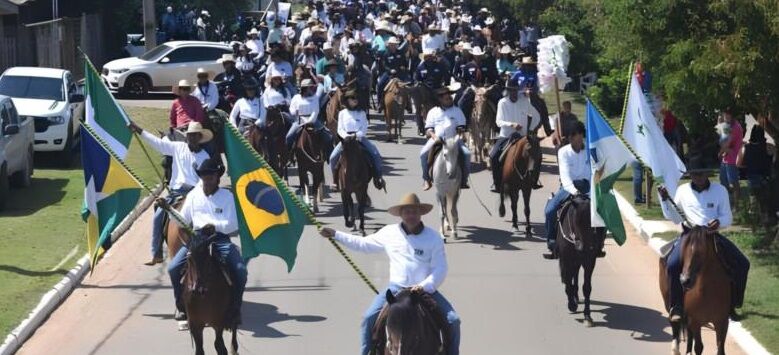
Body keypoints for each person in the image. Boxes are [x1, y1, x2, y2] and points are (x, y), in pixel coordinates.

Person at [318, 193, 461, 355]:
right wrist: (336, 234)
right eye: (407, 212)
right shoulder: (389, 233)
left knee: (453, 320)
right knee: (368, 319)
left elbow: (441, 268)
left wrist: (423, 286)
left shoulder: (433, 237)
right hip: (396, 289)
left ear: (420, 213)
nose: (411, 215)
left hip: (424, 291)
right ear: (401, 214)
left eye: (414, 211)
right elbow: (362, 244)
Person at [658, 158, 750, 322]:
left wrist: (719, 222)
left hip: (711, 235)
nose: (698, 177)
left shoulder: (719, 190)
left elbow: (727, 216)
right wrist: (665, 200)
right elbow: (673, 217)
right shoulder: (682, 191)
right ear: (690, 175)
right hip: (689, 236)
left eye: (701, 174)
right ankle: (676, 306)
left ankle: (733, 305)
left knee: (742, 263)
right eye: (694, 174)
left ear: (707, 173)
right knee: (671, 265)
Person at [160, 158, 247, 324]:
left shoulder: (227, 197)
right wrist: (168, 209)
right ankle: (181, 305)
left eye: (211, 175)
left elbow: (233, 224)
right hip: (198, 239)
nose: (207, 179)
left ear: (217, 177)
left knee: (241, 271)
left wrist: (214, 226)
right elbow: (181, 220)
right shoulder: (193, 195)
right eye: (204, 175)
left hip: (219, 239)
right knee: (173, 268)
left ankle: (234, 308)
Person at [127, 121, 212, 266]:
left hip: (195, 192)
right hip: (176, 192)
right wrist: (139, 130)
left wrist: (195, 194)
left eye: (194, 136)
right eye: (189, 135)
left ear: (200, 137)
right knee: (159, 214)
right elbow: (158, 144)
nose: (191, 138)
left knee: (209, 221)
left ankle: (213, 252)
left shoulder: (205, 157)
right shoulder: (178, 148)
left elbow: (204, 180)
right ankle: (157, 253)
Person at [543, 121, 589, 260]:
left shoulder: (589, 150)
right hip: (568, 187)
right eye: (576, 136)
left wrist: (590, 192)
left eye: (581, 135)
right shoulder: (563, 152)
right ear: (570, 138)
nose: (579, 139)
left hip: (587, 186)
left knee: (603, 211)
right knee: (549, 211)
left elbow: (590, 173)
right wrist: (574, 192)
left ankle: (599, 244)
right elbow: (565, 177)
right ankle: (552, 243)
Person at [329, 90, 386, 190]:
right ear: (347, 100)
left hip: (359, 138)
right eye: (353, 98)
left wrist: (356, 135)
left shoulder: (362, 113)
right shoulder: (342, 113)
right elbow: (340, 129)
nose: (355, 100)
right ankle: (335, 180)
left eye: (356, 98)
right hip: (345, 140)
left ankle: (378, 177)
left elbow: (364, 128)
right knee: (333, 157)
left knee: (375, 154)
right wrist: (346, 136)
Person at [489, 81, 540, 192]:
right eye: (511, 90)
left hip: (522, 136)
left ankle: (535, 180)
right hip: (506, 136)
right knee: (493, 156)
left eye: (515, 90)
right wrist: (511, 124)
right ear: (508, 91)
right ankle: (497, 183)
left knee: (536, 154)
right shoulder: (502, 102)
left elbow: (536, 116)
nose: (513, 93)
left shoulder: (524, 102)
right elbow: (498, 121)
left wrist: (529, 129)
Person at [420, 84, 471, 191]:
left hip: (453, 139)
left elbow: (461, 127)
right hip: (437, 139)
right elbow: (429, 129)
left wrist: (459, 134)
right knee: (423, 154)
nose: (449, 99)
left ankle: (464, 180)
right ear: (440, 99)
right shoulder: (433, 112)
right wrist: (434, 137)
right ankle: (426, 179)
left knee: (467, 154)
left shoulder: (457, 111)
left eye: (450, 97)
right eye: (446, 98)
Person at [285, 78, 334, 157]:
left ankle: (328, 155)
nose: (311, 89)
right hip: (299, 120)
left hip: (313, 120)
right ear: (304, 88)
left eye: (311, 87)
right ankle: (289, 156)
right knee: (289, 137)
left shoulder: (314, 97)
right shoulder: (296, 97)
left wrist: (310, 121)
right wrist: (294, 112)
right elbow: (292, 109)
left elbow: (315, 111)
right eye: (309, 87)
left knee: (328, 136)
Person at [718, 109, 743, 207]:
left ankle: (737, 204)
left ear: (731, 116)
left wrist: (721, 152)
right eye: (724, 115)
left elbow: (726, 142)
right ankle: (728, 203)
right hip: (726, 158)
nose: (725, 117)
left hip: (733, 158)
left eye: (727, 115)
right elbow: (722, 139)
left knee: (733, 182)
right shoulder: (728, 125)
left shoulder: (735, 127)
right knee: (723, 181)